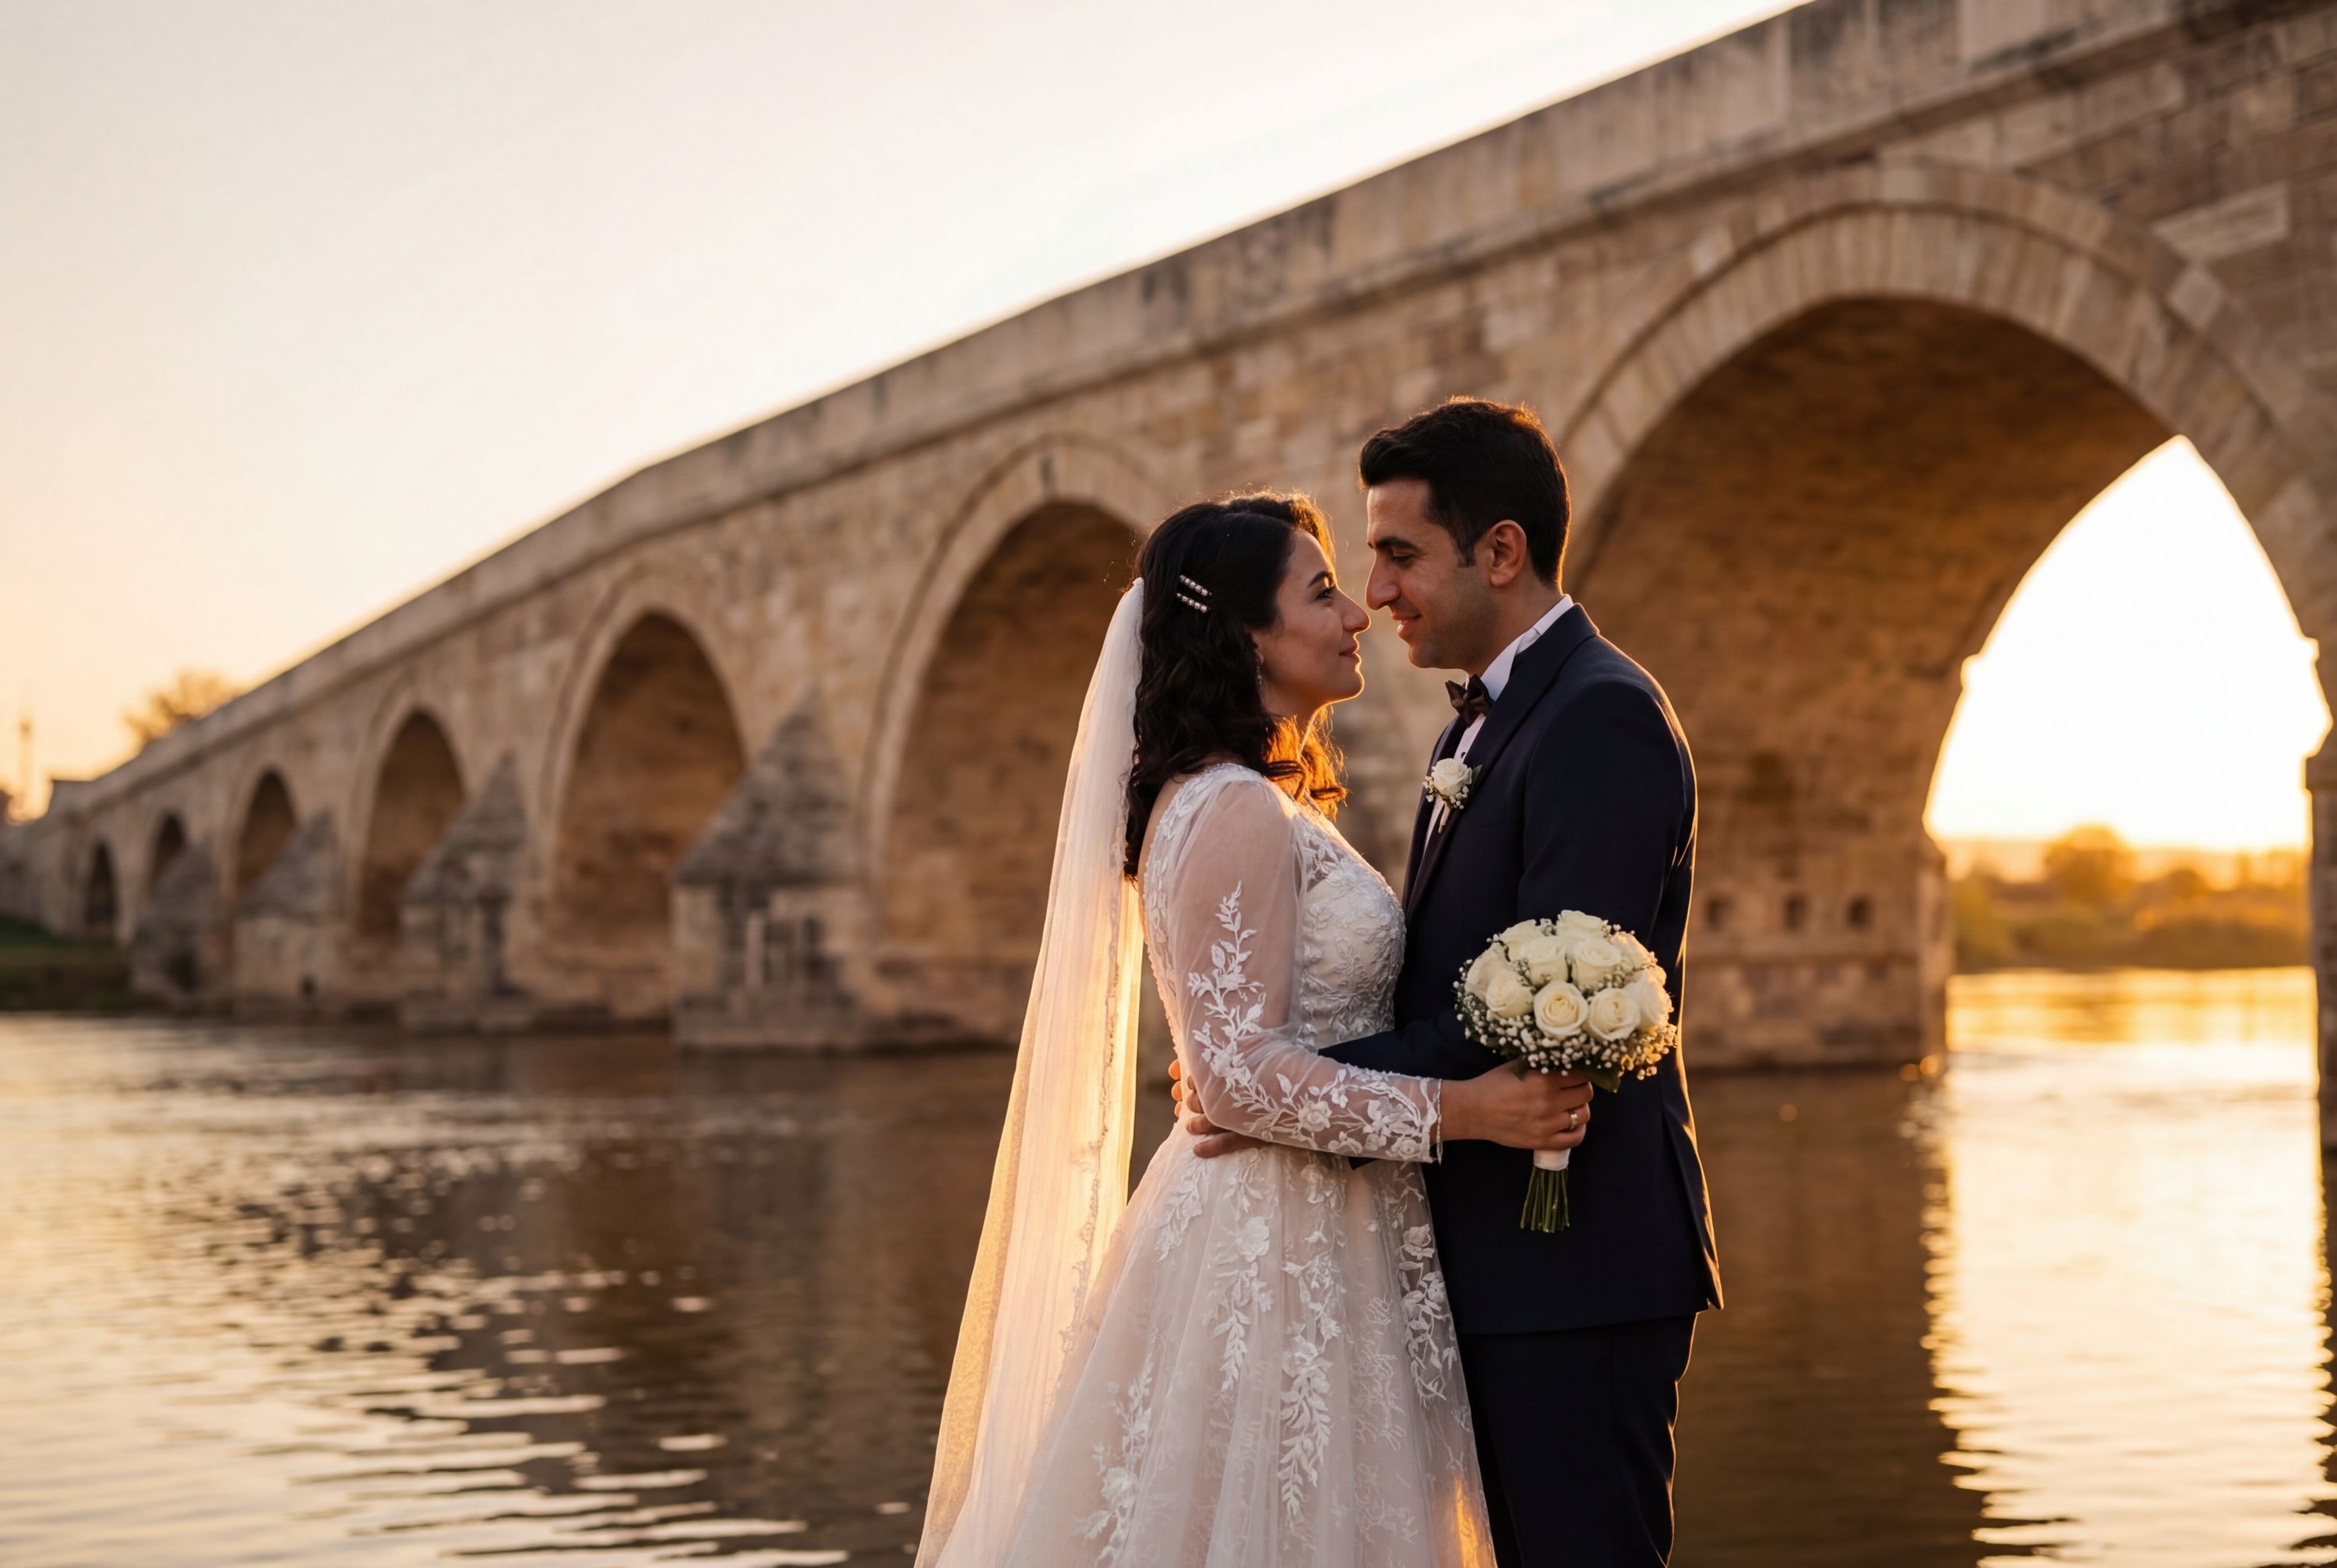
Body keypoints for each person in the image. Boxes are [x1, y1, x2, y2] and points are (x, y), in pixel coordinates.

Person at [915, 492, 1592, 1567]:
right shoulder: (1233, 805)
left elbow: (1232, 1055)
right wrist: (1467, 1110)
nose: (1356, 612)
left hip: (1314, 1217)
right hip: (1281, 1239)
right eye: (1321, 591)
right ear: (1246, 633)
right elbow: (1236, 1079)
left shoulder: (1237, 798)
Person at [1177, 399, 1723, 1566]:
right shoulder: (1469, 732)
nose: (1377, 592)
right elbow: (1455, 991)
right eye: (1361, 564)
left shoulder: (1599, 717)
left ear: (1502, 550)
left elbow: (1544, 1026)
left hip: (1572, 1260)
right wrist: (1254, 1072)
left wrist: (1274, 1083)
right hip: (1480, 1257)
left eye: (1398, 554)